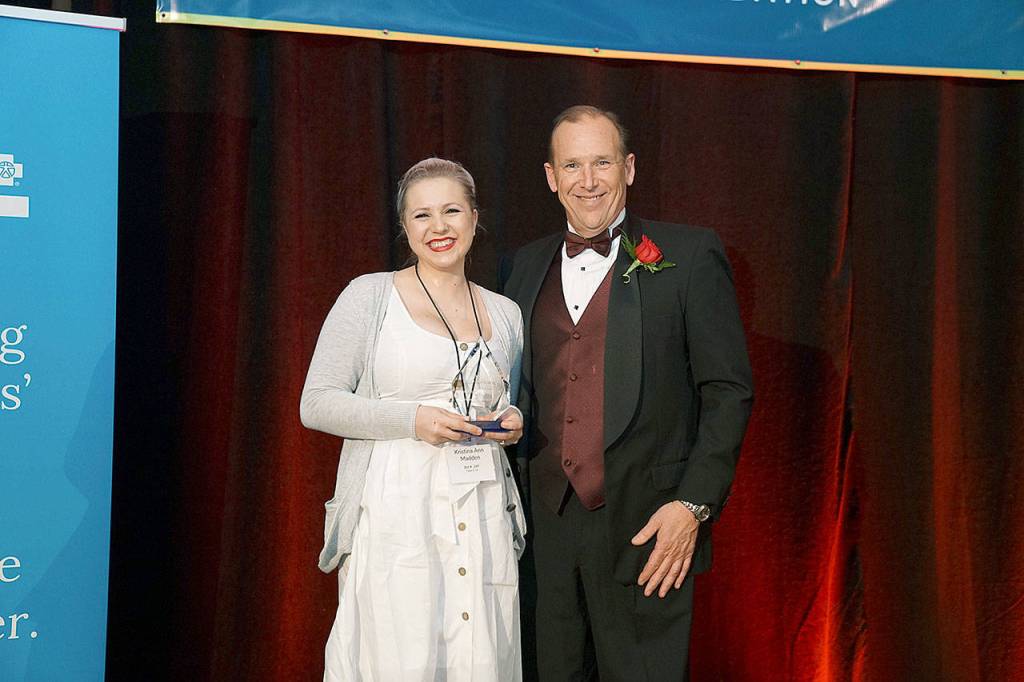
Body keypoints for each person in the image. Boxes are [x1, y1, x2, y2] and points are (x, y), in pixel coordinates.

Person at [498, 105, 753, 681]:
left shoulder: (688, 256)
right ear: (550, 175)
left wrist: (692, 505)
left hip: (648, 530)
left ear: (629, 168)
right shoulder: (518, 266)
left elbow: (728, 391)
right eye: (572, 165)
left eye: (602, 162)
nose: (588, 181)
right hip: (542, 536)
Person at [301, 157, 528, 681]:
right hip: (395, 508)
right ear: (404, 226)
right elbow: (316, 402)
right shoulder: (370, 295)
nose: (439, 227)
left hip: (482, 506)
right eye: (422, 215)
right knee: (401, 657)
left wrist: (512, 419)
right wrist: (412, 419)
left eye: (451, 211)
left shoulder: (506, 313)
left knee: (479, 657)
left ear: (475, 217)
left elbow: (503, 399)